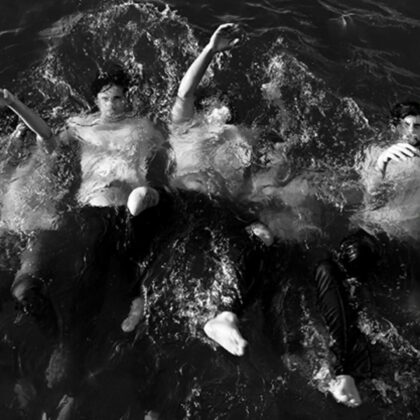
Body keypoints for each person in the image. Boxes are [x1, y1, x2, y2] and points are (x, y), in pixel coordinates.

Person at [0, 64, 165, 340]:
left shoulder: (142, 127)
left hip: (133, 202)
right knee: (93, 270)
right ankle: (79, 333)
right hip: (94, 206)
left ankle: (137, 301)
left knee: (132, 256)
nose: (111, 105)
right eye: (105, 98)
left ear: (128, 98)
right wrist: (15, 104)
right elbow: (48, 139)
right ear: (96, 100)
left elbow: (167, 151)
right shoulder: (81, 126)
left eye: (118, 98)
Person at [313, 101, 420, 407]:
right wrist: (382, 164)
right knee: (341, 264)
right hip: (373, 236)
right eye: (406, 126)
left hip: (405, 247)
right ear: (394, 127)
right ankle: (345, 368)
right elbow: (369, 201)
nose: (412, 132)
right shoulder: (376, 153)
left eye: (418, 127)